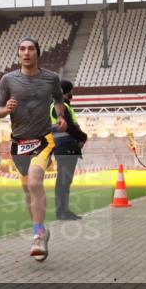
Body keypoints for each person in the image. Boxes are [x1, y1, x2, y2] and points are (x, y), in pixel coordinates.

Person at [0, 37, 67, 261]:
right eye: (22, 49)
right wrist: (6, 110)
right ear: (18, 53)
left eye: (30, 49)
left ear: (37, 53)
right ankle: (42, 230)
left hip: (43, 139)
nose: (26, 53)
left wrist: (61, 117)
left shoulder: (51, 78)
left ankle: (37, 235)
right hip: (19, 142)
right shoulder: (8, 80)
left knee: (36, 182)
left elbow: (58, 98)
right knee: (28, 190)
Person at [52, 80, 88, 220]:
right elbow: (69, 127)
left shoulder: (62, 106)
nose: (72, 94)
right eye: (70, 91)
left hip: (64, 146)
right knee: (63, 181)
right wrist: (83, 137)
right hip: (65, 146)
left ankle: (63, 211)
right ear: (65, 92)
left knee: (64, 181)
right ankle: (62, 212)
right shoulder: (61, 106)